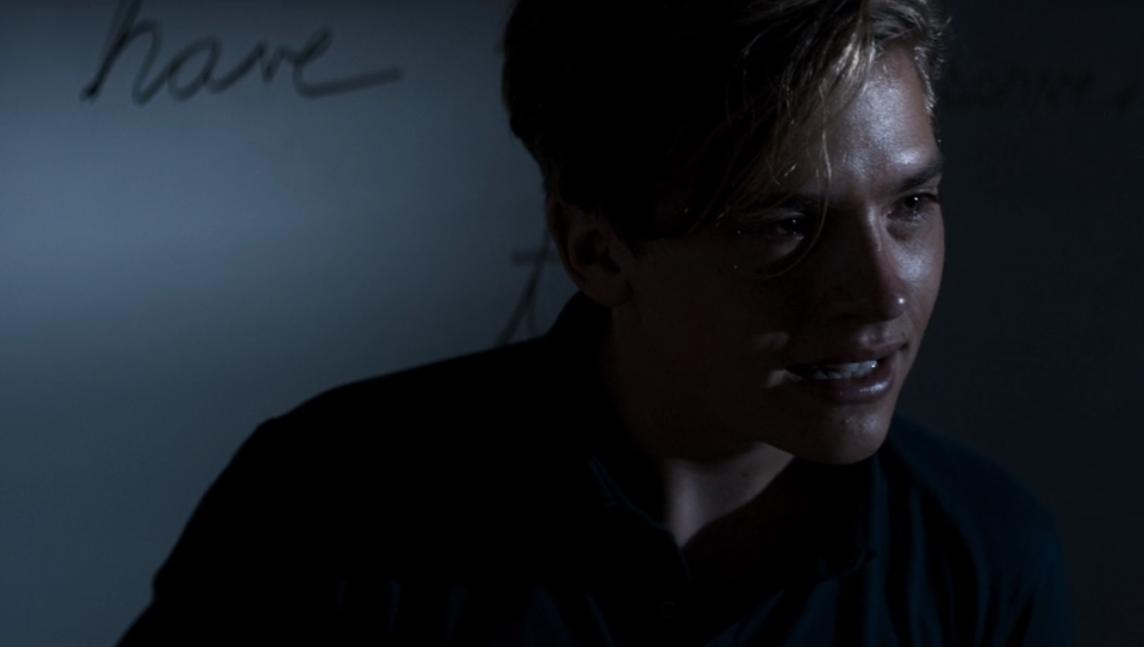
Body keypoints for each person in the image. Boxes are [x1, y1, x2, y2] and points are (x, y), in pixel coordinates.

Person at [119, 0, 1074, 644]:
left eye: (911, 204)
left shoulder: (983, 555)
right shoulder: (317, 512)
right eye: (783, 224)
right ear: (597, 251)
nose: (881, 294)